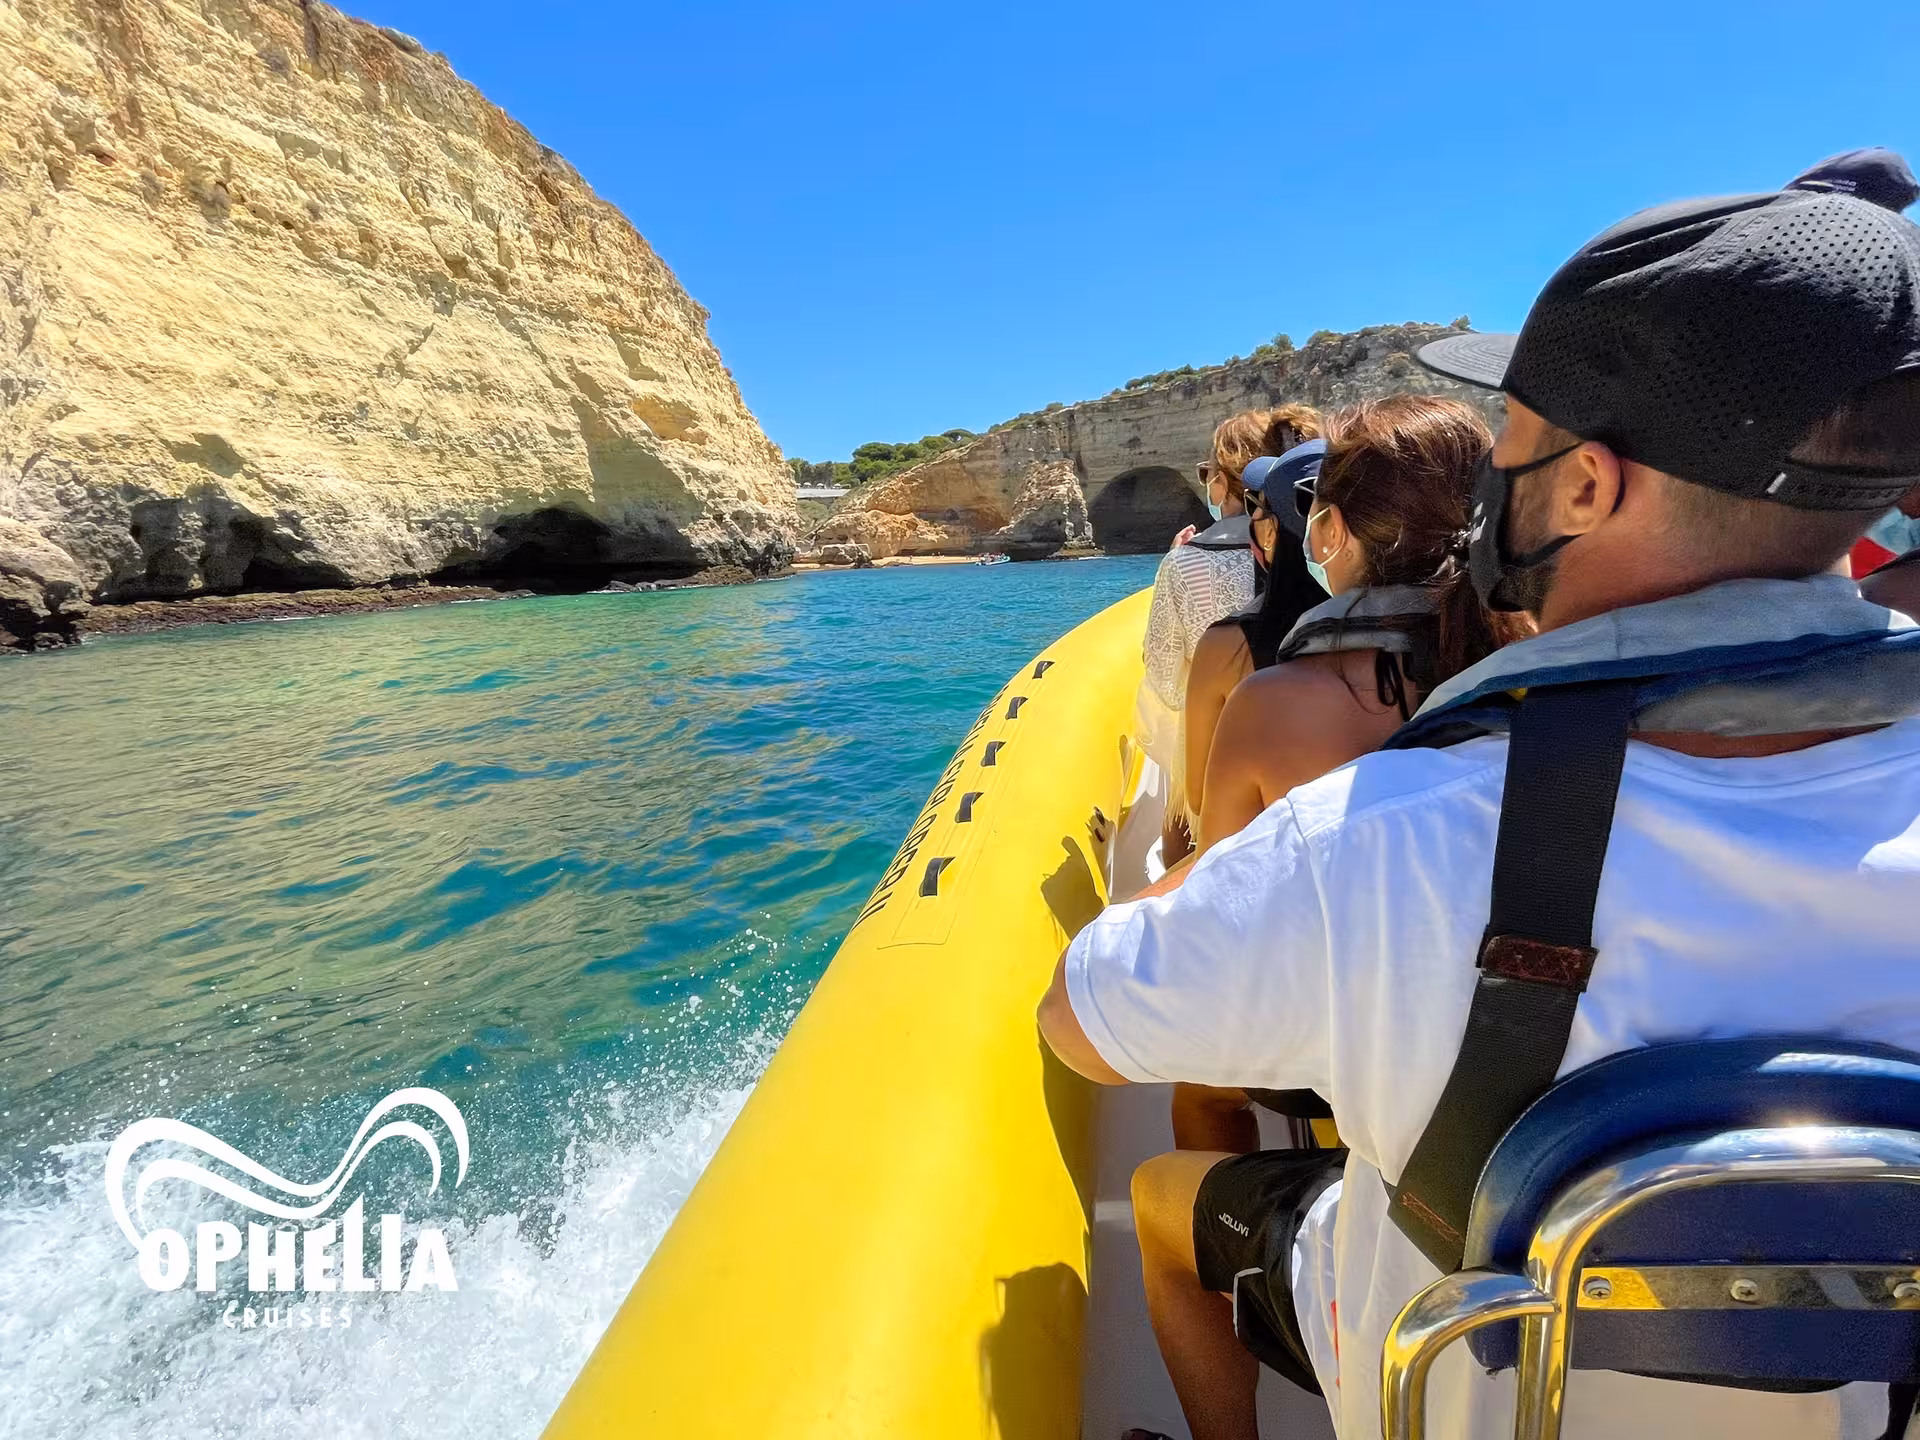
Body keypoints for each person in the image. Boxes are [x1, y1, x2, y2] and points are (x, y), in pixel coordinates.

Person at [1041, 182, 1920, 1440]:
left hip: (1463, 1381)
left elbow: (1083, 1021)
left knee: (1174, 1195)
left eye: (1512, 435)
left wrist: (1199, 878)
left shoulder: (1387, 837)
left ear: (1586, 490)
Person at [1171, 400, 1529, 1159]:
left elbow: (1224, 897)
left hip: (1337, 1045)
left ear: (1327, 531)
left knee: (1197, 1087)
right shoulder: (1550, 663)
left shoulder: (1274, 703)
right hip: (1521, 1033)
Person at [1136, 404, 1321, 869]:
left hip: (1219, 752)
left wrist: (1173, 566)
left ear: (1224, 480)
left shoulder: (1188, 562)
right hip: (1310, 744)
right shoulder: (1322, 551)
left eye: (1207, 473)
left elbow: (1162, 673)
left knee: (1177, 817)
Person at [1179, 438, 1333, 833]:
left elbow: (1198, 798)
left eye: (1256, 508)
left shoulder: (1227, 647)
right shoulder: (1426, 639)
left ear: (1270, 533)